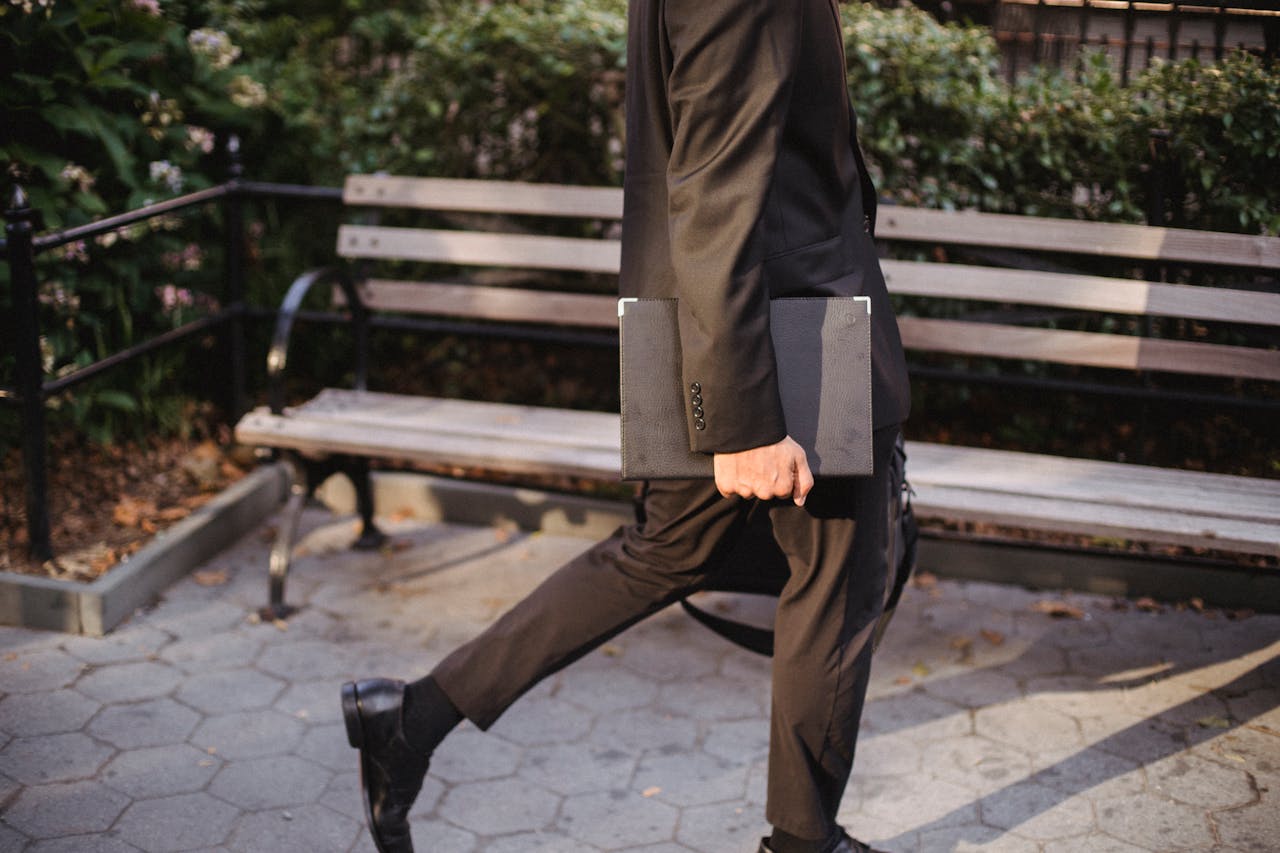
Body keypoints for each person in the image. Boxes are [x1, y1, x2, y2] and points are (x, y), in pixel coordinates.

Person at [340, 0, 912, 851]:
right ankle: (803, 842)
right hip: (779, 329)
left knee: (666, 551)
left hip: (729, 319)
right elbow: (717, 191)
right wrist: (742, 421)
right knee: (838, 572)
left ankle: (412, 716)